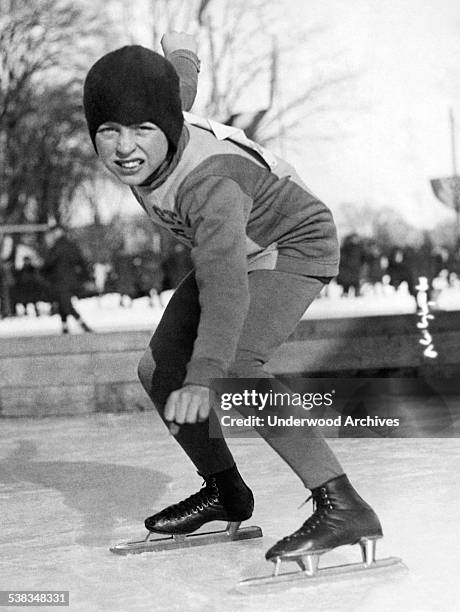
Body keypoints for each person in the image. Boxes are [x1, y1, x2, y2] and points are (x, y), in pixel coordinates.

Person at [83, 32, 382, 571]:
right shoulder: (161, 117)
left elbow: (224, 288)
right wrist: (182, 52)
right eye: (110, 132)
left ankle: (343, 506)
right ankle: (225, 490)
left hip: (292, 243)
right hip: (238, 246)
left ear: (167, 128)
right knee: (158, 369)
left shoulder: (209, 182)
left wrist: (205, 377)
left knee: (235, 368)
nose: (126, 147)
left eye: (143, 131)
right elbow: (179, 83)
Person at [42, 225, 92, 334]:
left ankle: (81, 324)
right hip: (72, 279)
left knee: (65, 303)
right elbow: (81, 261)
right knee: (63, 302)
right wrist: (86, 277)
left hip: (60, 280)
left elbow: (48, 263)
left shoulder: (56, 248)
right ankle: (66, 327)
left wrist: (43, 269)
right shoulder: (71, 245)